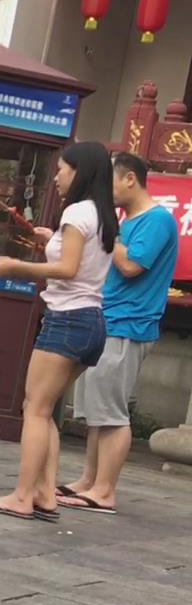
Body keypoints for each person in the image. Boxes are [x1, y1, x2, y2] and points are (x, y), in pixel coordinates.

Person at [0, 141, 119, 522]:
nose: (57, 177)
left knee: (35, 409)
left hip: (67, 319)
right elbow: (80, 262)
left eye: (62, 169)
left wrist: (15, 267)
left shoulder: (76, 212)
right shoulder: (103, 214)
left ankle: (22, 496)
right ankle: (44, 493)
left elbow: (67, 269)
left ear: (80, 172)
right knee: (44, 409)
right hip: (91, 321)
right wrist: (51, 241)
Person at [60, 151, 182, 515]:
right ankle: (90, 481)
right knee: (98, 411)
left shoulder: (157, 219)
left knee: (111, 413)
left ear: (130, 179)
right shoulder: (128, 219)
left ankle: (105, 490)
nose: (105, 191)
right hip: (108, 319)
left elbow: (130, 265)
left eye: (110, 182)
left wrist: (108, 235)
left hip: (130, 323)